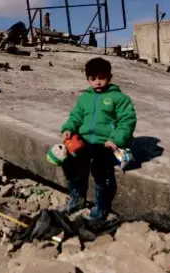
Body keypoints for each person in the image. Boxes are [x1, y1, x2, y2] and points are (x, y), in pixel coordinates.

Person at [59, 57, 137, 221]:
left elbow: (127, 122)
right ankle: (77, 199)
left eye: (101, 78)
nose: (98, 83)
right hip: (86, 140)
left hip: (107, 143)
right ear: (88, 79)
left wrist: (116, 140)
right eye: (93, 79)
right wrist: (68, 128)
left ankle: (101, 207)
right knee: (72, 162)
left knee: (100, 169)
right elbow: (76, 117)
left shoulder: (120, 98)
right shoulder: (84, 98)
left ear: (109, 77)